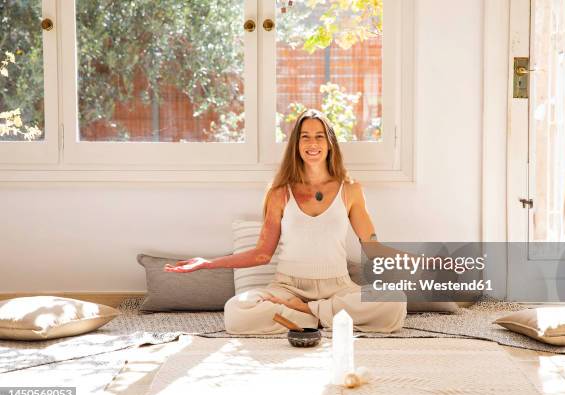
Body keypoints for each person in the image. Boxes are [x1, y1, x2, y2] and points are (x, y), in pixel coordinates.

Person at [165, 109, 407, 334]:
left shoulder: (350, 189)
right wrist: (208, 263)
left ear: (330, 143)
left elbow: (373, 247)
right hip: (288, 288)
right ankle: (326, 318)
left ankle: (306, 313)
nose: (312, 143)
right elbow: (262, 254)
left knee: (395, 301)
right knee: (237, 311)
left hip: (338, 287)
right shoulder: (280, 192)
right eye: (305, 137)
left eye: (319, 136)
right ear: (296, 144)